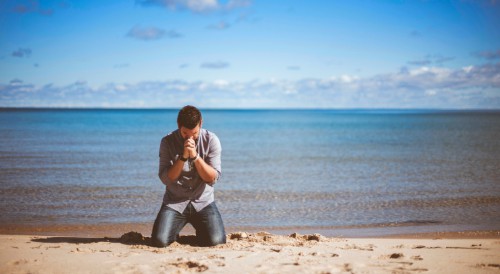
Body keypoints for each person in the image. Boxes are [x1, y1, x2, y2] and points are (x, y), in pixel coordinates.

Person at [151, 105, 226, 247]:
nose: (190, 138)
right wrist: (183, 157)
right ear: (179, 125)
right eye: (185, 133)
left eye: (195, 133)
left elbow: (212, 178)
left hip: (203, 202)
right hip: (175, 202)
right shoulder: (167, 141)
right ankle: (174, 231)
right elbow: (166, 179)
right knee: (159, 241)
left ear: (201, 124)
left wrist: (196, 157)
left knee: (217, 242)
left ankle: (203, 231)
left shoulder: (211, 140)